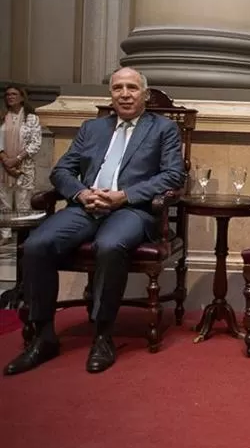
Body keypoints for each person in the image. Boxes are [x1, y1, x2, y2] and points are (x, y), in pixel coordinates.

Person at [3, 67, 184, 376]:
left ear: (144, 94)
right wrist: (82, 193)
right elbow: (61, 171)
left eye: (131, 88)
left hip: (132, 210)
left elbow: (172, 176)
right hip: (85, 208)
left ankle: (103, 334)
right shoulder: (92, 128)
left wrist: (124, 195)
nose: (124, 94)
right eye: (117, 88)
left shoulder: (162, 129)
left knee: (110, 246)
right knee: (37, 245)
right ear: (110, 94)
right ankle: (44, 335)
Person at [0, 85, 43, 243]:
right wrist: (5, 160)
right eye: (7, 94)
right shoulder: (2, 117)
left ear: (22, 97)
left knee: (23, 202)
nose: (10, 97)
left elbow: (35, 143)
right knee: (4, 201)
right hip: (3, 167)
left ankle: (21, 236)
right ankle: (6, 235)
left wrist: (16, 159)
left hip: (23, 167)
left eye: (14, 94)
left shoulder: (31, 118)